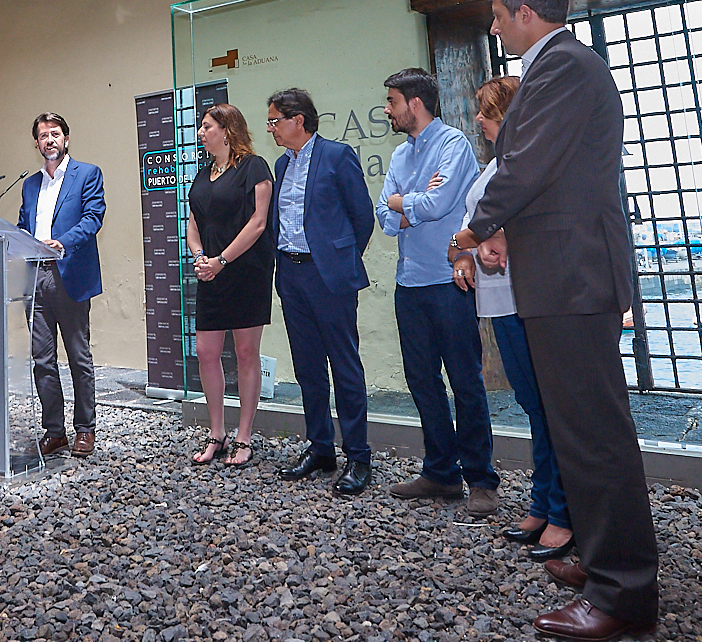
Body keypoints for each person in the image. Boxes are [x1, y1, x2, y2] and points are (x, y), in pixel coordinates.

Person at [453, 0, 659, 640]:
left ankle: (623, 593)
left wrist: (475, 227)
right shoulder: (556, 68)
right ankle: (602, 561)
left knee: (595, 436)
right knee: (578, 430)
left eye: (497, 15)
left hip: (573, 275)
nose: (493, 27)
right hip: (560, 273)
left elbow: (525, 165)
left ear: (524, 13)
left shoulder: (563, 66)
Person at [456, 75, 573, 559]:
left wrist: (474, 240)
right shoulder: (495, 166)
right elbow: (473, 230)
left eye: (487, 112)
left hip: (529, 298)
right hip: (500, 300)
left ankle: (564, 510)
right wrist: (464, 253)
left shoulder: (532, 161)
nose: (479, 119)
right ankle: (545, 502)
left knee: (551, 407)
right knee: (533, 405)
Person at [376, 67, 499, 513]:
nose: (387, 110)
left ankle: (481, 479)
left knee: (465, 382)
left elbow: (439, 203)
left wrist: (402, 201)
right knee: (422, 382)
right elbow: (384, 217)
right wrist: (408, 203)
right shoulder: (398, 156)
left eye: (392, 102)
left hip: (448, 283)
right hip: (408, 284)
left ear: (415, 103)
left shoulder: (453, 144)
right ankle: (441, 474)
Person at [267, 87, 375, 496]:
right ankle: (320, 447)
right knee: (308, 366)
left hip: (328, 276)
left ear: (298, 120)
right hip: (291, 275)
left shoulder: (337, 155)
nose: (272, 128)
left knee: (344, 367)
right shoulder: (282, 164)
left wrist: (338, 259)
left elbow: (362, 216)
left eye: (275, 120)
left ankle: (358, 456)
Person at [186, 104, 274, 468]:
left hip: (246, 271)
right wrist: (200, 257)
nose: (201, 133)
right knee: (206, 352)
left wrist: (221, 261)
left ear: (227, 130)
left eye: (207, 126)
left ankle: (244, 436)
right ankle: (217, 432)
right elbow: (193, 222)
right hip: (211, 272)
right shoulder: (202, 174)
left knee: (245, 352)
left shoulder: (254, 167)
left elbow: (258, 223)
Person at [19, 112, 106, 458]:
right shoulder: (30, 184)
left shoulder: (87, 173)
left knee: (78, 357)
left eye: (55, 134)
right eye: (43, 135)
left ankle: (85, 429)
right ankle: (55, 432)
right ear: (37, 143)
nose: (49, 140)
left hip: (68, 273)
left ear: (66, 139)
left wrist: (63, 242)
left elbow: (93, 217)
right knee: (42, 359)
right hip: (34, 277)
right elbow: (23, 225)